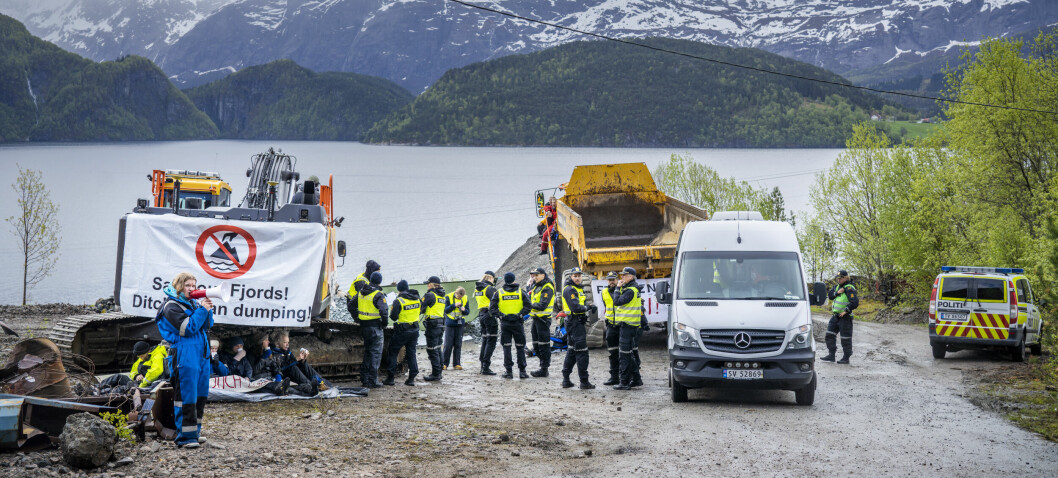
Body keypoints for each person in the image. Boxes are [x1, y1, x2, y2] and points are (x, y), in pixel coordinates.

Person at [155, 272, 214, 448]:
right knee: (186, 395)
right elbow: (188, 328)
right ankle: (185, 437)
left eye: (194, 286)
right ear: (179, 286)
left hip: (200, 354)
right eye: (188, 285)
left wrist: (207, 310)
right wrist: (202, 310)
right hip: (184, 353)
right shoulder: (170, 307)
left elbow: (206, 325)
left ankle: (194, 432)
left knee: (200, 394)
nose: (192, 289)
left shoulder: (192, 303)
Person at [559, 268, 596, 389]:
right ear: (571, 277)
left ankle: (566, 379)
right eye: (575, 276)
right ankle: (584, 382)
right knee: (582, 352)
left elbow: (580, 304)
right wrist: (587, 308)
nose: (577, 278)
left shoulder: (578, 288)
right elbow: (575, 307)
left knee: (572, 351)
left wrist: (587, 306)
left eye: (579, 276)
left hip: (574, 322)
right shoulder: (570, 289)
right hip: (574, 323)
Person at [490, 272, 531, 379]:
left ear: (505, 280)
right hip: (518, 322)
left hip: (505, 323)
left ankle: (509, 372)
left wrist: (501, 316)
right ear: (514, 280)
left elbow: (492, 309)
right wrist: (521, 314)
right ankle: (522, 371)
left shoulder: (499, 292)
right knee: (520, 347)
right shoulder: (520, 292)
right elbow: (529, 306)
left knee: (506, 347)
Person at [611, 267, 642, 390]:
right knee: (628, 354)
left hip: (628, 326)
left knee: (624, 355)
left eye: (624, 275)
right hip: (630, 325)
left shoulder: (630, 290)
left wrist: (617, 288)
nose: (622, 277)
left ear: (631, 277)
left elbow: (617, 301)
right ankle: (636, 379)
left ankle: (624, 382)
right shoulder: (632, 289)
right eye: (621, 275)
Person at [385, 280, 421, 386]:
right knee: (411, 353)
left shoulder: (399, 300)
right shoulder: (417, 299)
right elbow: (421, 310)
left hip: (402, 331)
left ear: (399, 290)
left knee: (393, 352)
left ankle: (390, 378)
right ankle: (411, 378)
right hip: (414, 330)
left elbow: (393, 317)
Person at [358, 271, 389, 388]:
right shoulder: (378, 294)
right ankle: (373, 380)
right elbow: (384, 311)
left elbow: (351, 304)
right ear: (380, 281)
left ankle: (364, 378)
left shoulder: (361, 292)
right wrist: (384, 323)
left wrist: (358, 318)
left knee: (367, 352)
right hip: (376, 327)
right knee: (375, 354)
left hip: (364, 327)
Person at [822, 270, 858, 364]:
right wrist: (837, 293)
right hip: (835, 316)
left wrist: (846, 311)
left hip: (845, 318)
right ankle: (831, 355)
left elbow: (855, 302)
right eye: (838, 278)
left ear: (846, 278)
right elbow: (830, 296)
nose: (839, 280)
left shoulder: (849, 288)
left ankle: (846, 358)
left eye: (841, 278)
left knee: (845, 338)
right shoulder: (837, 287)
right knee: (829, 335)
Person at [272, 330, 322, 396]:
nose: (287, 345)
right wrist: (296, 359)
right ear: (277, 344)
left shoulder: (287, 351)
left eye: (288, 342)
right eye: (285, 342)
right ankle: (310, 386)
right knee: (293, 367)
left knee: (304, 365)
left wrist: (302, 360)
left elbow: (294, 361)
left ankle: (320, 381)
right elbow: (281, 368)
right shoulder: (275, 354)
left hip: (292, 373)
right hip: (285, 375)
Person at [526, 267, 556, 377]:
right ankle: (543, 365)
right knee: (536, 345)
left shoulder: (547, 287)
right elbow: (530, 297)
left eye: (536, 275)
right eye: (533, 275)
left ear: (543, 275)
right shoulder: (537, 286)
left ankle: (544, 369)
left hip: (543, 320)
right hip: (536, 319)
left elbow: (543, 305)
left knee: (544, 345)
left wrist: (529, 306)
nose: (534, 277)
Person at [420, 276, 447, 381]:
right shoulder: (442, 296)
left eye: (428, 283)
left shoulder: (430, 295)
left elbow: (420, 305)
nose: (427, 285)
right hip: (441, 325)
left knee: (432, 349)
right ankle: (439, 371)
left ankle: (436, 374)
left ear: (432, 284)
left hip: (432, 325)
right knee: (437, 348)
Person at [474, 272, 499, 375]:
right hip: (489, 315)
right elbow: (496, 301)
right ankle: (486, 366)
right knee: (491, 341)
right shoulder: (489, 288)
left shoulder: (477, 289)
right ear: (491, 278)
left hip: (481, 314)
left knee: (485, 339)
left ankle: (482, 365)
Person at [442, 287, 470, 370]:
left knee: (458, 344)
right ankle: (444, 363)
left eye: (461, 297)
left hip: (460, 323)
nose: (460, 298)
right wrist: (454, 305)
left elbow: (468, 312)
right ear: (456, 293)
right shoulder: (448, 297)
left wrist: (464, 310)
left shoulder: (465, 298)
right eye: (459, 296)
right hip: (450, 323)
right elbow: (445, 310)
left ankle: (457, 363)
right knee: (448, 344)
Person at [601, 272, 621, 386]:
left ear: (617, 280)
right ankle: (614, 377)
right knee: (612, 352)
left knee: (625, 353)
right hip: (610, 326)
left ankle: (629, 376)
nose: (611, 282)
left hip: (621, 325)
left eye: (613, 279)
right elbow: (607, 307)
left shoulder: (622, 290)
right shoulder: (604, 292)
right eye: (609, 280)